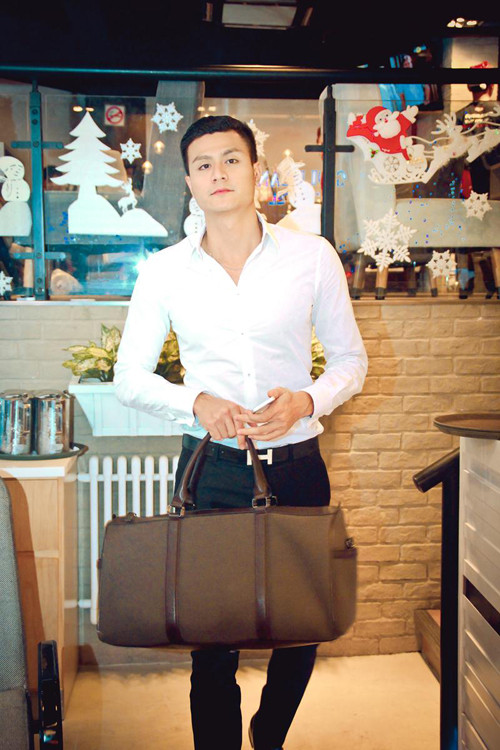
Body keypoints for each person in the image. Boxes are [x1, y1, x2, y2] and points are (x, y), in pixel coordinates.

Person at [114, 115, 367, 750]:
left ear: (256, 170)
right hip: (213, 471)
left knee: (304, 624)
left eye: (231, 159)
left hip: (298, 465)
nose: (218, 173)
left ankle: (269, 732)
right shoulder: (165, 271)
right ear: (189, 181)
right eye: (203, 164)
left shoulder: (311, 257)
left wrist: (308, 399)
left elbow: (350, 361)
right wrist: (195, 402)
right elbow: (128, 377)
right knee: (211, 638)